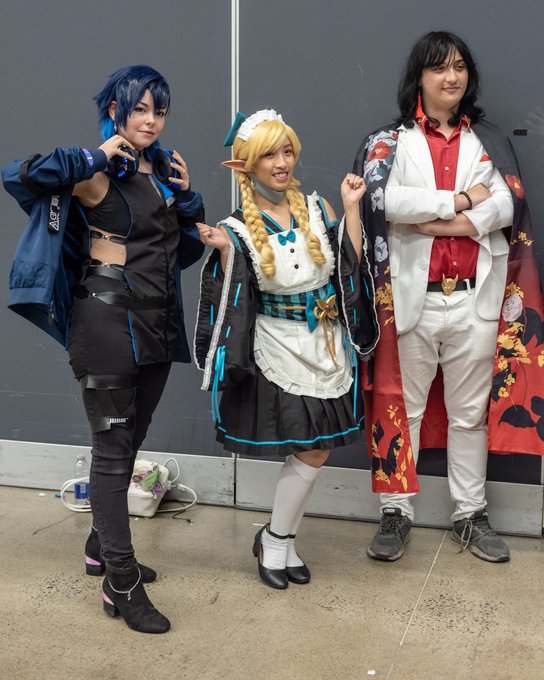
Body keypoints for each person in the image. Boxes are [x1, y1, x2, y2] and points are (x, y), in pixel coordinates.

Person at [2, 65, 205, 633]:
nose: (150, 120)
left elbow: (179, 246)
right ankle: (121, 581)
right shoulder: (94, 172)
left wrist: (187, 197)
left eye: (158, 110)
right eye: (138, 108)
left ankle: (100, 547)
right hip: (107, 319)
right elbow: (18, 175)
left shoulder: (160, 172)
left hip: (158, 322)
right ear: (115, 111)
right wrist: (90, 156)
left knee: (131, 440)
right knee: (113, 451)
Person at [353, 31, 544, 563]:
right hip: (409, 299)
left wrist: (444, 221)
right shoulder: (389, 141)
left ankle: (470, 513)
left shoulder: (488, 140)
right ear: (420, 76)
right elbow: (383, 200)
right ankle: (396, 512)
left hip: (476, 300)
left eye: (459, 66)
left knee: (469, 415)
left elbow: (505, 204)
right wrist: (459, 202)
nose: (451, 77)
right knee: (403, 407)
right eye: (439, 67)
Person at [195, 109, 378, 589]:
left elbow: (348, 263)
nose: (282, 163)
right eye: (269, 155)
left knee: (317, 450)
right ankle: (276, 542)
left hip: (325, 347)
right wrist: (226, 251)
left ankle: (279, 540)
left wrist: (351, 208)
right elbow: (234, 296)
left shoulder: (317, 207)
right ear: (245, 165)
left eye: (287, 151)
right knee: (311, 450)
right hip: (278, 350)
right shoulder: (235, 227)